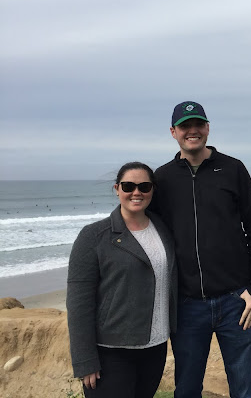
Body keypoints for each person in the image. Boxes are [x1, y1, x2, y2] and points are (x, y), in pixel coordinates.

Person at [150, 101, 251, 398]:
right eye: (185, 126)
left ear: (207, 128)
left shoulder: (233, 169)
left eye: (198, 124)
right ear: (173, 132)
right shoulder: (162, 178)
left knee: (245, 389)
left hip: (236, 302)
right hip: (187, 306)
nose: (192, 131)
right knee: (187, 390)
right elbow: (147, 234)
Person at [67, 162, 177, 398]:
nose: (137, 192)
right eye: (128, 186)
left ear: (152, 190)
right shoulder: (94, 236)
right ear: (117, 189)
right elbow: (79, 304)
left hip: (155, 347)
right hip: (111, 352)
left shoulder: (163, 229)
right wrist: (85, 360)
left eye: (144, 186)